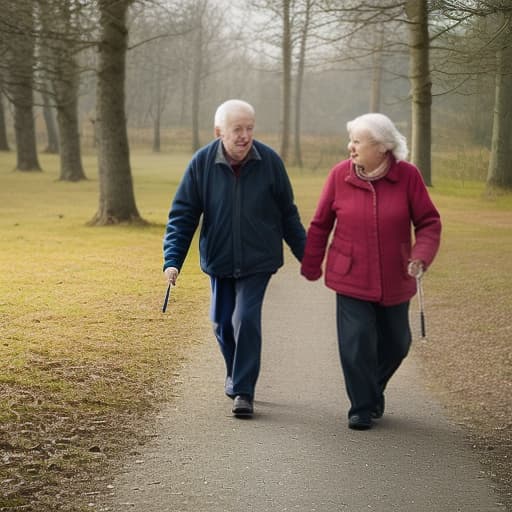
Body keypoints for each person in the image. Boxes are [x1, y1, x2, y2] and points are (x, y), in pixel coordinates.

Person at [163, 99, 306, 418]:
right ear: (219, 132)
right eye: (237, 129)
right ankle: (234, 372)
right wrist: (172, 260)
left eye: (249, 129)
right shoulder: (201, 163)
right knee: (221, 323)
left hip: (259, 260)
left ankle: (244, 390)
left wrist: (306, 255)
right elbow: (183, 215)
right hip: (220, 258)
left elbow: (288, 214)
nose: (244, 136)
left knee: (246, 318)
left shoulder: (269, 162)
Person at [300, 113, 441, 430]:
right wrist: (311, 263)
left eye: (357, 142)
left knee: (397, 342)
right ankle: (361, 406)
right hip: (350, 276)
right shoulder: (339, 175)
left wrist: (421, 255)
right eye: (350, 141)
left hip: (396, 275)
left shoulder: (408, 177)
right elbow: (321, 223)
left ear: (382, 146)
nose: (350, 148)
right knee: (357, 340)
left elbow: (429, 223)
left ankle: (371, 389)